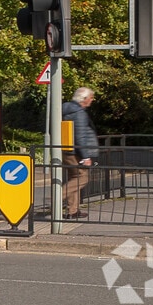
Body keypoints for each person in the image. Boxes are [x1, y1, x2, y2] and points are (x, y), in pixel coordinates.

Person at [62, 85, 98, 220]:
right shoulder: (79, 113)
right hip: (75, 151)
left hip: (66, 148)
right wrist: (86, 156)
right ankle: (57, 197)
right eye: (91, 97)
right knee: (82, 178)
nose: (92, 100)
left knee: (74, 178)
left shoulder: (65, 108)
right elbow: (80, 136)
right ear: (84, 99)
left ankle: (72, 211)